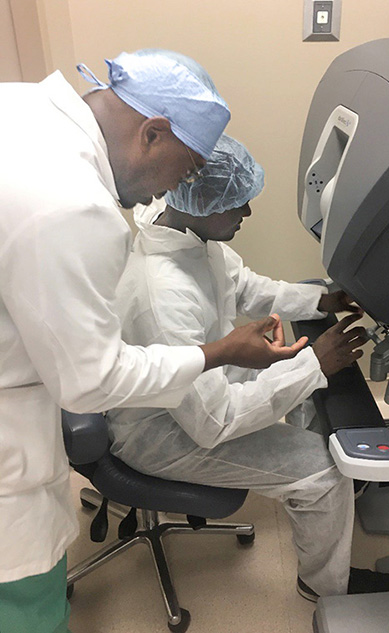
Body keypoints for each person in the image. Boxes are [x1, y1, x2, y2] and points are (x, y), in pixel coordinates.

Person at [0, 52, 306, 633]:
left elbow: (246, 285)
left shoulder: (23, 105)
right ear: (153, 133)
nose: (178, 189)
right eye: (186, 170)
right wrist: (223, 353)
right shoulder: (75, 207)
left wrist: (311, 302)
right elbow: (90, 382)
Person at [107, 134, 389, 601]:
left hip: (195, 390)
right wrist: (314, 365)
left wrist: (319, 298)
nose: (246, 214)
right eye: (238, 204)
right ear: (202, 203)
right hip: (161, 431)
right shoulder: (163, 296)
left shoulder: (182, 232)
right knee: (323, 471)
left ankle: (327, 497)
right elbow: (212, 422)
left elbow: (242, 285)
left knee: (300, 374)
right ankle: (324, 587)